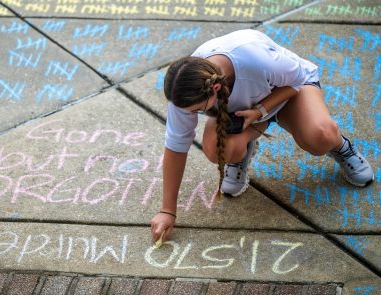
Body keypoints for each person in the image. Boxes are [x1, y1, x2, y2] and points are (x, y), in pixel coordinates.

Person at [150, 29, 374, 243]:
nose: (194, 115)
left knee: (320, 136)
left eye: (199, 110)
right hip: (245, 112)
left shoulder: (254, 59)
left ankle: (341, 147)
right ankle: (241, 153)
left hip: (287, 92)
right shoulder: (184, 90)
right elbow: (176, 145)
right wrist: (167, 210)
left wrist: (261, 110)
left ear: (216, 87)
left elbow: (296, 80)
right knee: (218, 148)